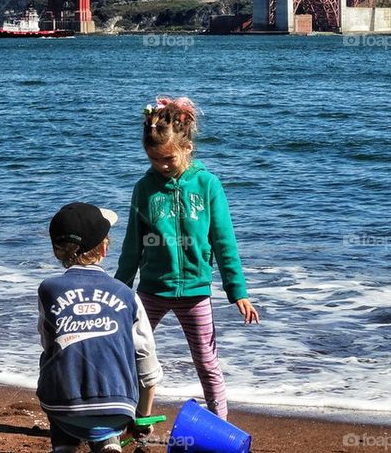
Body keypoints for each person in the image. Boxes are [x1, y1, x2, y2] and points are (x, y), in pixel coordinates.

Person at [115, 97, 260, 420]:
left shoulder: (208, 185)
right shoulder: (144, 189)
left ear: (188, 147)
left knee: (207, 361)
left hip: (195, 291)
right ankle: (129, 418)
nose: (162, 166)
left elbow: (223, 241)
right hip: (151, 290)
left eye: (168, 159)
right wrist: (118, 291)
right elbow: (131, 246)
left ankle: (220, 423)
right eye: (154, 160)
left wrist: (238, 292)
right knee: (128, 352)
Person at [38, 202, 163, 453]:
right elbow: (147, 361)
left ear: (57, 251)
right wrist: (142, 416)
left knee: (53, 360)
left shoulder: (48, 290)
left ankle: (64, 447)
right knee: (109, 417)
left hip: (63, 407)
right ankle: (110, 443)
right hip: (118, 407)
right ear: (104, 249)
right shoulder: (126, 294)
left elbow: (49, 343)